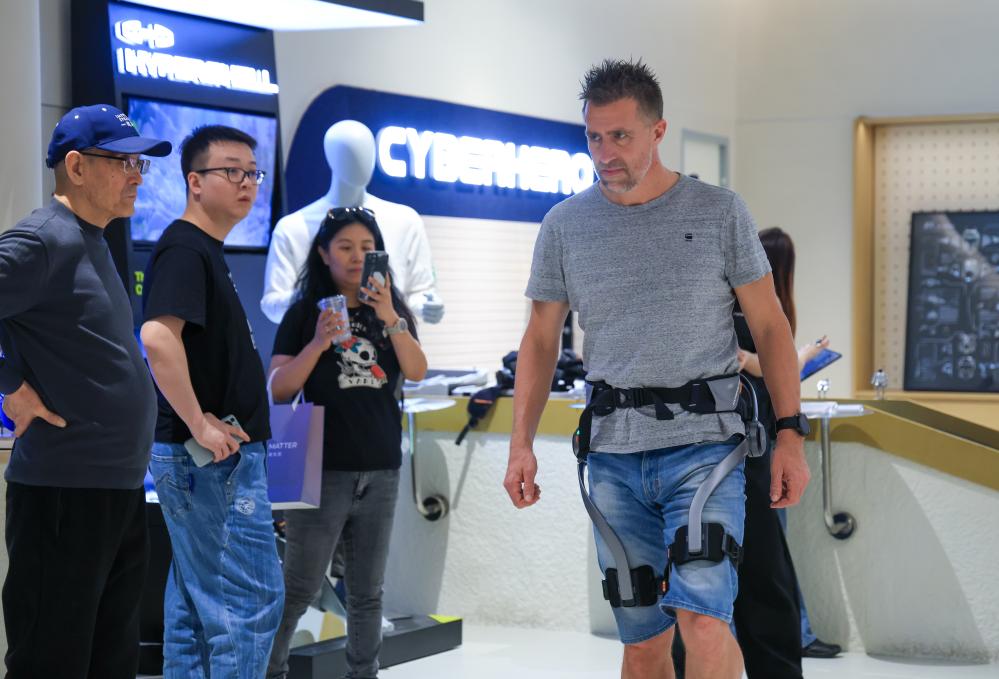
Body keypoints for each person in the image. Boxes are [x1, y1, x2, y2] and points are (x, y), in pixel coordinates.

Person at [503, 59, 811, 679]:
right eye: (594, 137)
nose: (605, 153)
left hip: (706, 448)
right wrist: (520, 445)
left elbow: (771, 327)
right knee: (644, 642)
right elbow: (539, 339)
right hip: (613, 454)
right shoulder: (565, 225)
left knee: (704, 621)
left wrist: (789, 434)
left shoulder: (719, 212)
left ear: (658, 130)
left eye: (620, 136)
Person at [0, 104, 170, 678]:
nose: (136, 176)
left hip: (115, 491)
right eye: (123, 162)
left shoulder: (92, 240)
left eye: (140, 165)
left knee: (110, 663)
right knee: (51, 663)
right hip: (63, 494)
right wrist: (11, 389)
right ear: (75, 167)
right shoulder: (42, 240)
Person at [140, 125, 284, 678]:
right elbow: (158, 337)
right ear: (194, 181)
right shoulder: (185, 248)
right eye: (231, 170)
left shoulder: (200, 249)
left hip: (207, 461)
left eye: (252, 172)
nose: (247, 182)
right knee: (248, 603)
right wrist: (199, 423)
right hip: (212, 463)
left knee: (197, 610)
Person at [266, 207, 426, 679]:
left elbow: (417, 371)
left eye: (366, 248)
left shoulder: (391, 313)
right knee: (298, 587)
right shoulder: (304, 314)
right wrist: (318, 343)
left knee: (367, 592)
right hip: (320, 468)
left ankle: (363, 673)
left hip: (381, 467)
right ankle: (269, 672)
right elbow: (278, 389)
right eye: (345, 247)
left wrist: (390, 316)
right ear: (323, 253)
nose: (357, 257)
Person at [734, 226, 842, 662]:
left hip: (758, 436)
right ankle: (796, 633)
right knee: (768, 552)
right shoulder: (752, 307)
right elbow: (753, 362)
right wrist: (796, 359)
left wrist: (795, 358)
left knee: (767, 551)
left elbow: (760, 363)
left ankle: (796, 632)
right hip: (757, 439)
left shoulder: (756, 307)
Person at [261, 120, 444, 326]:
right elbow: (271, 306)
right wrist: (312, 293)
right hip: (319, 341)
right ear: (330, 156)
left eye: (366, 151)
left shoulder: (405, 220)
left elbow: (420, 290)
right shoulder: (292, 228)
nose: (360, 159)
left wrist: (425, 305)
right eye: (347, 152)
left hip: (389, 339)